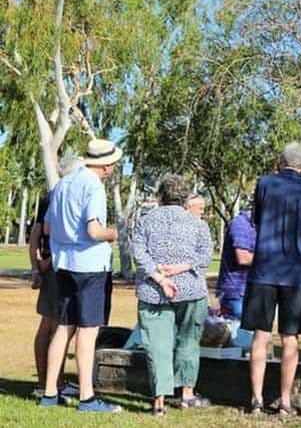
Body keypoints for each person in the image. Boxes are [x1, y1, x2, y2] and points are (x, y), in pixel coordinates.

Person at [39, 139, 122, 413]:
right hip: (89, 266)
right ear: (107, 166)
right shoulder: (93, 187)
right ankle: (87, 397)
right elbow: (94, 231)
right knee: (87, 332)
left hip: (63, 265)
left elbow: (48, 227)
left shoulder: (62, 185)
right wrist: (115, 234)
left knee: (63, 328)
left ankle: (50, 393)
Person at [243, 142, 301, 415]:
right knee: (290, 338)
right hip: (296, 273)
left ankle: (256, 399)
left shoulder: (264, 184)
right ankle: (285, 401)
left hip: (265, 268)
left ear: (281, 160)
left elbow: (256, 220)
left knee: (260, 335)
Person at [132, 174, 214, 416]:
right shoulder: (197, 223)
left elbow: (139, 253)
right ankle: (187, 394)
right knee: (189, 340)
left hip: (153, 291)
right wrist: (182, 267)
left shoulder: (145, 221)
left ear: (160, 196)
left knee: (157, 345)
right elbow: (205, 254)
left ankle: (159, 401)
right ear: (185, 198)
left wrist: (160, 277)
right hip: (190, 290)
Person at [29, 154, 84, 399]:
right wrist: (46, 263)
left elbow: (35, 235)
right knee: (54, 326)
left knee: (52, 325)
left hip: (51, 264)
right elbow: (45, 232)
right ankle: (48, 384)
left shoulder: (50, 195)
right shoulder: (59, 195)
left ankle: (54, 381)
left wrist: (35, 266)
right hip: (57, 265)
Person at [215, 206, 256, 319]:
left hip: (251, 290)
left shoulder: (261, 225)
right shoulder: (240, 224)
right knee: (239, 333)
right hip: (236, 293)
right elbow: (243, 258)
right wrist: (271, 260)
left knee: (250, 334)